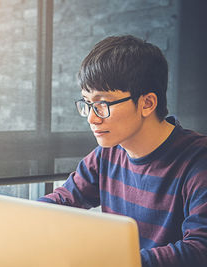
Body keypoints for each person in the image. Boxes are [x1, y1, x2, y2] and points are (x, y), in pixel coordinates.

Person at [38, 35, 207, 267]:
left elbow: (199, 251)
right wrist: (24, 217)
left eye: (102, 104)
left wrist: (113, 261)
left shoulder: (198, 162)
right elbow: (63, 201)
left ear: (147, 103)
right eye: (87, 103)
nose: (91, 118)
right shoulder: (107, 155)